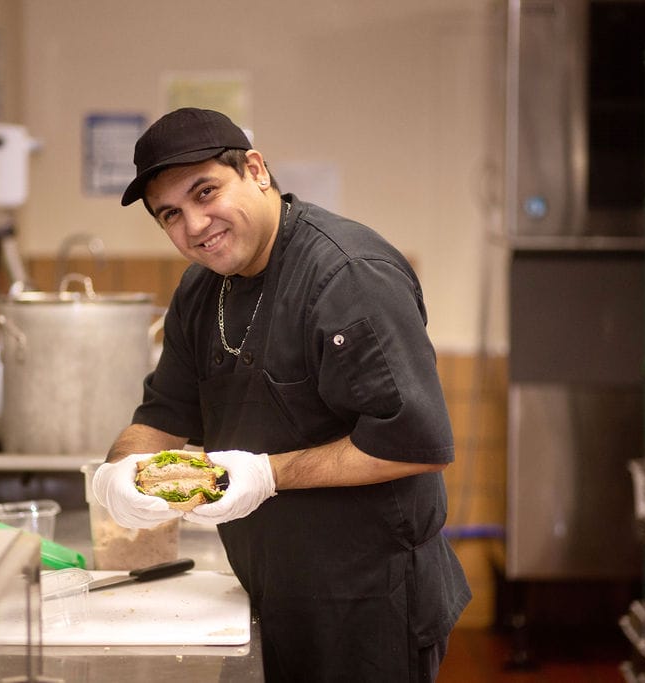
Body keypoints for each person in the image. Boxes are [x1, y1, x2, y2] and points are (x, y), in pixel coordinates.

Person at [93, 107, 471, 682]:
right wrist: (121, 473)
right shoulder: (200, 291)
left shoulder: (347, 276)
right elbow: (163, 413)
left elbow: (415, 443)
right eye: (171, 214)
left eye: (206, 192)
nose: (195, 225)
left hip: (368, 604)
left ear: (256, 169)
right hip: (266, 591)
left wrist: (265, 475)